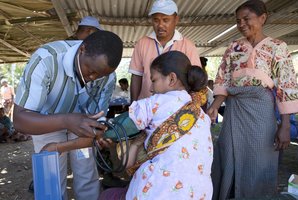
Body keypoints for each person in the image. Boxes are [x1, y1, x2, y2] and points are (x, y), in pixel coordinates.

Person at [43, 51, 213, 199]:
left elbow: (106, 132)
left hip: (157, 193)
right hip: (200, 194)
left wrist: (58, 146)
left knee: (107, 196)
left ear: (171, 79)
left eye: (153, 80)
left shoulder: (155, 104)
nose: (151, 88)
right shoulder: (201, 116)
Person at [13, 31, 123, 200]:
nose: (93, 78)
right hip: (45, 122)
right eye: (91, 71)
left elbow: (97, 116)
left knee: (87, 173)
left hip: (82, 126)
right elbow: (20, 120)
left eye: (100, 75)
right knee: (51, 177)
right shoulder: (46, 60)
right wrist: (66, 120)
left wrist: (99, 132)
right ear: (82, 49)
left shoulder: (107, 77)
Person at [207, 0, 298, 199]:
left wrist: (284, 125)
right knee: (228, 156)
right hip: (234, 111)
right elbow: (223, 79)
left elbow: (287, 85)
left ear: (263, 18)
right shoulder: (233, 48)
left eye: (246, 19)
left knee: (259, 159)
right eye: (238, 21)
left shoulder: (278, 47)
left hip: (261, 112)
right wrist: (215, 105)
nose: (241, 24)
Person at [129, 0, 201, 101]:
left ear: (176, 20)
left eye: (165, 20)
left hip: (177, 110)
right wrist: (133, 104)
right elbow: (136, 76)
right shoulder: (142, 43)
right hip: (147, 107)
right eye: (156, 20)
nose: (160, 25)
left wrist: (193, 105)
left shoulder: (188, 46)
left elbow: (195, 79)